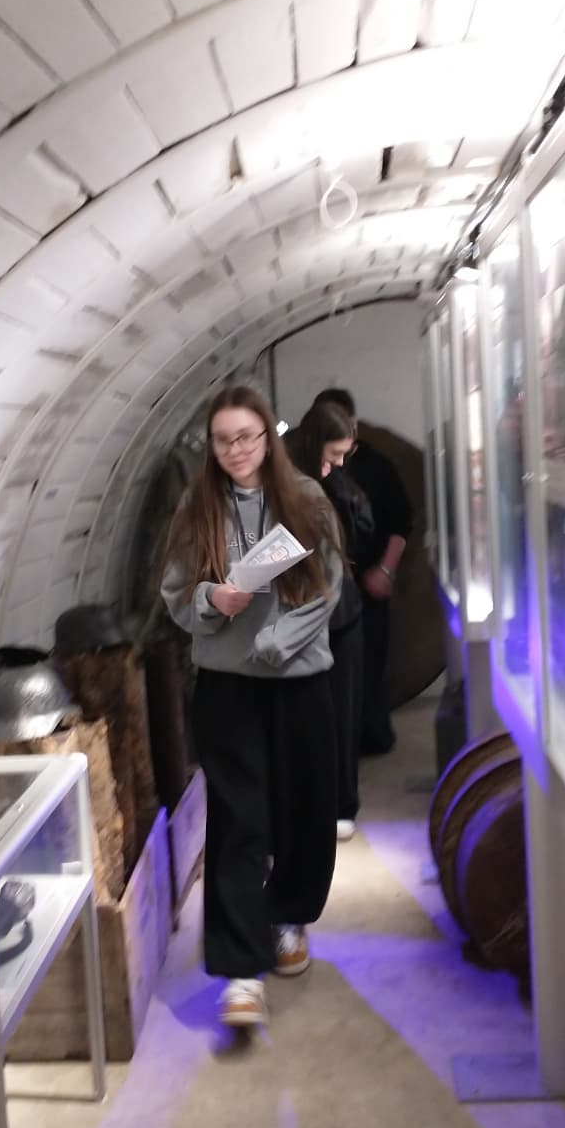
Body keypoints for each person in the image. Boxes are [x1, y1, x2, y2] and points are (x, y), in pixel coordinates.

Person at [161, 385, 344, 1030]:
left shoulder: (306, 499)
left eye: (245, 436)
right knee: (238, 822)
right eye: (223, 440)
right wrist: (212, 600)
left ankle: (287, 916)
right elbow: (176, 594)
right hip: (228, 686)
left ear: (267, 436)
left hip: (298, 682)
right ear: (211, 446)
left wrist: (277, 641)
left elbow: (328, 588)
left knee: (305, 812)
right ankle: (241, 971)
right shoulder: (197, 507)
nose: (235, 449)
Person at [286, 401, 375, 842]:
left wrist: (337, 487)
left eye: (345, 454)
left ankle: (342, 805)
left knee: (344, 712)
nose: (339, 463)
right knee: (303, 720)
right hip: (301, 617)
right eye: (334, 453)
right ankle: (306, 806)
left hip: (342, 616)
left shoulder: (339, 485)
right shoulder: (286, 483)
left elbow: (361, 538)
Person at [313, 388, 414, 755]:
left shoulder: (376, 465)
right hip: (324, 594)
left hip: (365, 587)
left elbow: (400, 523)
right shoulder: (305, 470)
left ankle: (371, 737)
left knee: (368, 669)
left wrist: (385, 571)